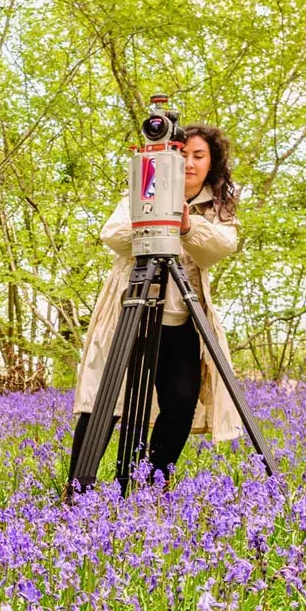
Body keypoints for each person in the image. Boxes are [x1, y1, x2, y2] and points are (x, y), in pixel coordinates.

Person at [69, 123, 253, 483]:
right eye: (182, 155)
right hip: (132, 310)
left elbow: (220, 247)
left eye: (199, 156)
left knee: (181, 402)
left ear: (211, 162)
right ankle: (78, 489)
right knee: (106, 399)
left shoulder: (218, 206)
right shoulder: (143, 189)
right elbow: (113, 234)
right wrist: (158, 219)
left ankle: (154, 480)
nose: (189, 163)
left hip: (183, 317)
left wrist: (186, 228)